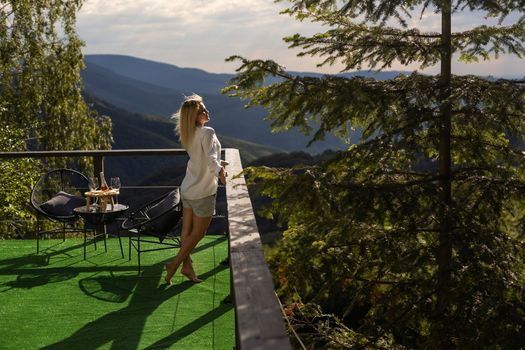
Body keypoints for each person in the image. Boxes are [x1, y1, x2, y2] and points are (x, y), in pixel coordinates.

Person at [165, 94, 227, 284]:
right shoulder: (207, 132)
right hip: (202, 190)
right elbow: (211, 160)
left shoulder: (189, 132)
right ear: (194, 115)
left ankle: (187, 267)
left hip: (188, 187)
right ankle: (174, 265)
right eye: (202, 110)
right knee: (198, 233)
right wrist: (221, 172)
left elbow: (203, 157)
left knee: (187, 231)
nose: (206, 111)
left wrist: (218, 163)